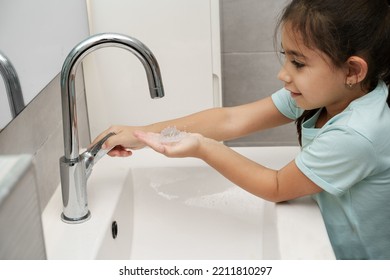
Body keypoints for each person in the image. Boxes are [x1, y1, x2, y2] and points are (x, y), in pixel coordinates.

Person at [92, 0, 390, 259]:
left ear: (352, 71)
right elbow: (229, 120)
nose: (283, 73)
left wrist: (202, 147)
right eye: (286, 56)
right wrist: (142, 134)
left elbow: (276, 187)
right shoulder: (331, 95)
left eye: (298, 63)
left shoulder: (356, 133)